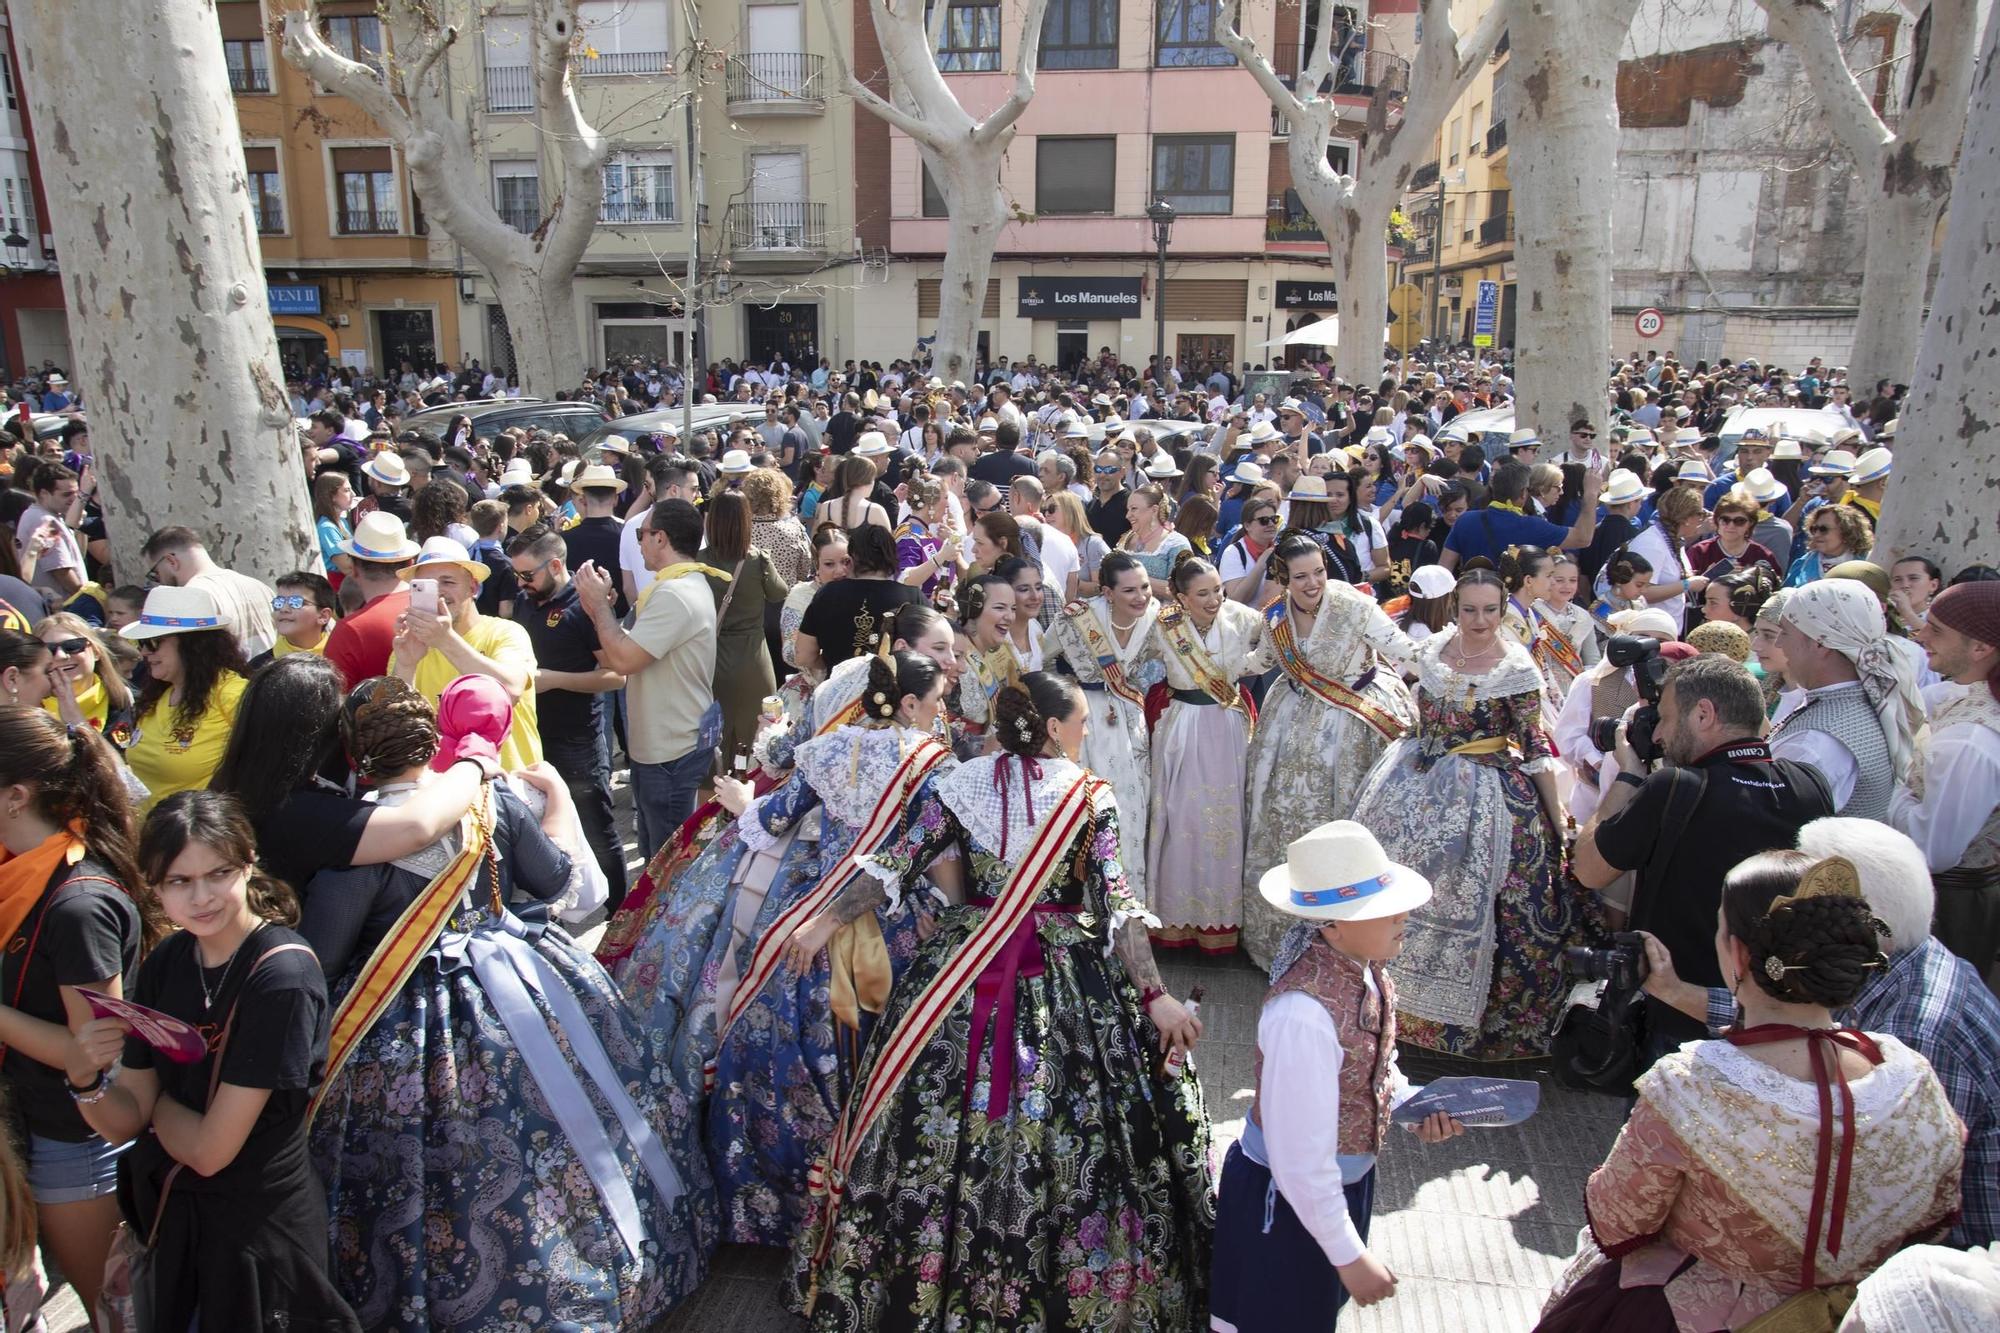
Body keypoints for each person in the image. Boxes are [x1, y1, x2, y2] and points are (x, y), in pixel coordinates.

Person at [785, 674, 1213, 1331]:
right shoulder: (1090, 796)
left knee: (920, 1123)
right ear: (1050, 728)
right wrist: (1153, 995)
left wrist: (821, 924)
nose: (1087, 730)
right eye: (1078, 720)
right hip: (1063, 974)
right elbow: (1118, 904)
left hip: (960, 969)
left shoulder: (959, 785)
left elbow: (895, 863)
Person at [301, 678, 714, 1329]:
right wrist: (553, 802)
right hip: (523, 982)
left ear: (355, 756)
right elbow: (553, 879)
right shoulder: (489, 803)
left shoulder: (364, 839)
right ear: (434, 740)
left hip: (406, 1019)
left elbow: (320, 957)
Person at [1535, 851, 1965, 1332]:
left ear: (1736, 953)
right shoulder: (1910, 1078)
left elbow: (1618, 1223)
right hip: (1856, 1315)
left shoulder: (1692, 1085)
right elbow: (1935, 1215)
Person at [61, 791, 359, 1331]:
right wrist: (84, 1079)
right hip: (176, 1226)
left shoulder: (281, 978)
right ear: (153, 887)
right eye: (178, 881)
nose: (200, 897)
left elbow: (209, 1151)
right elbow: (122, 1119)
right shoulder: (166, 962)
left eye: (217, 873)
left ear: (249, 864)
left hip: (260, 1237)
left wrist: (156, 1110)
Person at [1639, 817, 2000, 1249]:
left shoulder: (1916, 1033)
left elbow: (1874, 1206)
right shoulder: (1904, 959)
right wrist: (1675, 992)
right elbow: (1789, 1021)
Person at [702, 651, 956, 1245]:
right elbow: (939, 858)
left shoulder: (825, 752)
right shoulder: (935, 766)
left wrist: (746, 806)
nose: (945, 710)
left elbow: (772, 819)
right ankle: (864, 1202)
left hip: (812, 914)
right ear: (910, 704)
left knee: (781, 1042)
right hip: (893, 922)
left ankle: (779, 1209)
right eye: (939, 699)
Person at [1212, 821, 1465, 1327]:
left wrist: (1412, 1104)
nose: (1403, 916)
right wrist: (1347, 1253)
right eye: (1380, 908)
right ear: (1331, 925)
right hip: (1284, 1205)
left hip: (1328, 1192)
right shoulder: (1303, 1014)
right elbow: (1300, 1162)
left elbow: (1369, 1071)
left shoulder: (1364, 970)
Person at [1572, 653, 1836, 1061]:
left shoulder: (1674, 787)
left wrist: (1628, 774)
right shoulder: (1809, 784)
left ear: (1704, 714)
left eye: (1664, 717)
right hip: (1777, 1015)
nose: (1657, 734)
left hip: (1679, 1016)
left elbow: (1588, 869)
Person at [1352, 570, 1572, 1059]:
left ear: (1503, 608)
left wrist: (1556, 817)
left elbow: (1534, 746)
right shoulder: (1433, 650)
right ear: (1455, 608)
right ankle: (1379, 996)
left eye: (1490, 610)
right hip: (1412, 779)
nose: (1480, 620)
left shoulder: (1516, 668)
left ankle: (1453, 1019)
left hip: (1485, 789)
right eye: (1469, 609)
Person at [0, 708, 154, 1322]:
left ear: (15, 795)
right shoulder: (20, 870)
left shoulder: (78, 904)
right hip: (34, 1125)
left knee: (113, 1314)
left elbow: (95, 1051)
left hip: (75, 1144)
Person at [1240, 535, 1417, 971]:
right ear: (1283, 578)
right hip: (1290, 722)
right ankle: (1285, 938)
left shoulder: (1354, 606)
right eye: (1301, 576)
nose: (1313, 582)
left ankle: (1354, 933)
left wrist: (1452, 662)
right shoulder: (1276, 617)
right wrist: (1211, 666)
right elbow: (1260, 662)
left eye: (1319, 571)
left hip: (1355, 721)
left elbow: (1403, 650)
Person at [577, 498, 719, 858]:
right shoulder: (675, 585)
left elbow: (622, 660)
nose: (637, 542)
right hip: (663, 748)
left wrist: (599, 607)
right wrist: (603, 610)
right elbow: (621, 649)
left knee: (665, 867)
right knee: (658, 860)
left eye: (641, 534)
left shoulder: (674, 592)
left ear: (661, 538)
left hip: (670, 752)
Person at [1148, 553, 1266, 952]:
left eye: (1217, 589)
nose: (1214, 599)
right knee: (1181, 815)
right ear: (1180, 597)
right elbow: (1130, 654)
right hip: (1181, 724)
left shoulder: (1242, 618)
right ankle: (1176, 919)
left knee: (1226, 817)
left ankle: (1222, 922)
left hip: (1226, 723)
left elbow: (1274, 645)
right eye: (1203, 594)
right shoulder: (1165, 626)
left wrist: (1249, 665)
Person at [507, 525, 627, 896]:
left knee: (596, 829)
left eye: (527, 574)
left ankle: (618, 912)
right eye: (516, 575)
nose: (521, 583)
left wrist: (553, 679)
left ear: (555, 564)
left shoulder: (586, 606)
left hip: (578, 740)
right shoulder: (525, 602)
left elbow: (616, 676)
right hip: (533, 737)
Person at [1042, 551, 1163, 901]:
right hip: (1085, 720)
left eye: (1144, 587)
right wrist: (1064, 699)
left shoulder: (1155, 617)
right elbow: (1042, 657)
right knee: (1089, 810)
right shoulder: (1076, 618)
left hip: (1129, 717)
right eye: (1129, 591)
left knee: (1132, 806)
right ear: (1107, 593)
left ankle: (1127, 900)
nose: (1141, 596)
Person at [1896, 579, 2000, 971]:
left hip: (1951, 906)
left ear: (1981, 647)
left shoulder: (1971, 742)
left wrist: (1894, 785)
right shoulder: (1967, 695)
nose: (1921, 634)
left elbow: (1934, 849)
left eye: (1936, 629)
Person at [1769, 578, 1924, 820]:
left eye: (1785, 633)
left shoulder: (1816, 742)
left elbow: (1773, 824)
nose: (1779, 643)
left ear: (1821, 644)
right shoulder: (1868, 701)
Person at [388, 536, 542, 771]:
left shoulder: (505, 633)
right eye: (425, 586)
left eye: (447, 582)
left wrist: (445, 640)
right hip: (440, 790)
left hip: (510, 788)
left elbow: (510, 690)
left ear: (473, 587)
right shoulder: (408, 647)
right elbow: (394, 728)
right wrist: (406, 665)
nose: (438, 592)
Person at [119, 586, 248, 816]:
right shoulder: (158, 695)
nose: (144, 652)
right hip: (149, 840)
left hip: (202, 842)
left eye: (153, 641)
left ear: (193, 644)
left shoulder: (233, 695)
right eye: (141, 643)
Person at [699, 491, 790, 770]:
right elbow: (779, 593)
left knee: (716, 737)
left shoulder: (696, 563)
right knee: (759, 735)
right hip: (753, 658)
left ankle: (716, 801)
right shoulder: (757, 561)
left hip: (712, 659)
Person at [791, 524, 923, 675]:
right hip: (896, 693)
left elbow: (804, 656)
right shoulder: (913, 597)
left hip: (840, 691)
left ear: (853, 558)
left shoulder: (827, 594)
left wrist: (831, 666)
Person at [137, 526, 277, 660]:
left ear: (171, 561)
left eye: (155, 573)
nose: (158, 580)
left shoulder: (192, 596)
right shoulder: (259, 586)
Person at [1439, 462, 1603, 570]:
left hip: (1472, 604)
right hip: (1513, 612)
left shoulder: (1465, 520)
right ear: (1523, 494)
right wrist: (1590, 493)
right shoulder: (1533, 525)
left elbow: (1443, 568)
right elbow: (1583, 538)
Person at [323, 510, 420, 687]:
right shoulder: (442, 609)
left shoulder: (350, 631)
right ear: (409, 563)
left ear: (353, 568)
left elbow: (332, 705)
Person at [36, 613, 134, 746]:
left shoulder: (127, 701)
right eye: (49, 650)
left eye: (72, 646)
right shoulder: (27, 707)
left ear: (96, 652)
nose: (61, 656)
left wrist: (75, 720)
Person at [311, 471, 355, 587]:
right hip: (337, 588)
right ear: (332, 496)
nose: (353, 494)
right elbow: (346, 567)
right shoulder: (327, 528)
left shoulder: (342, 521)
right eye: (346, 490)